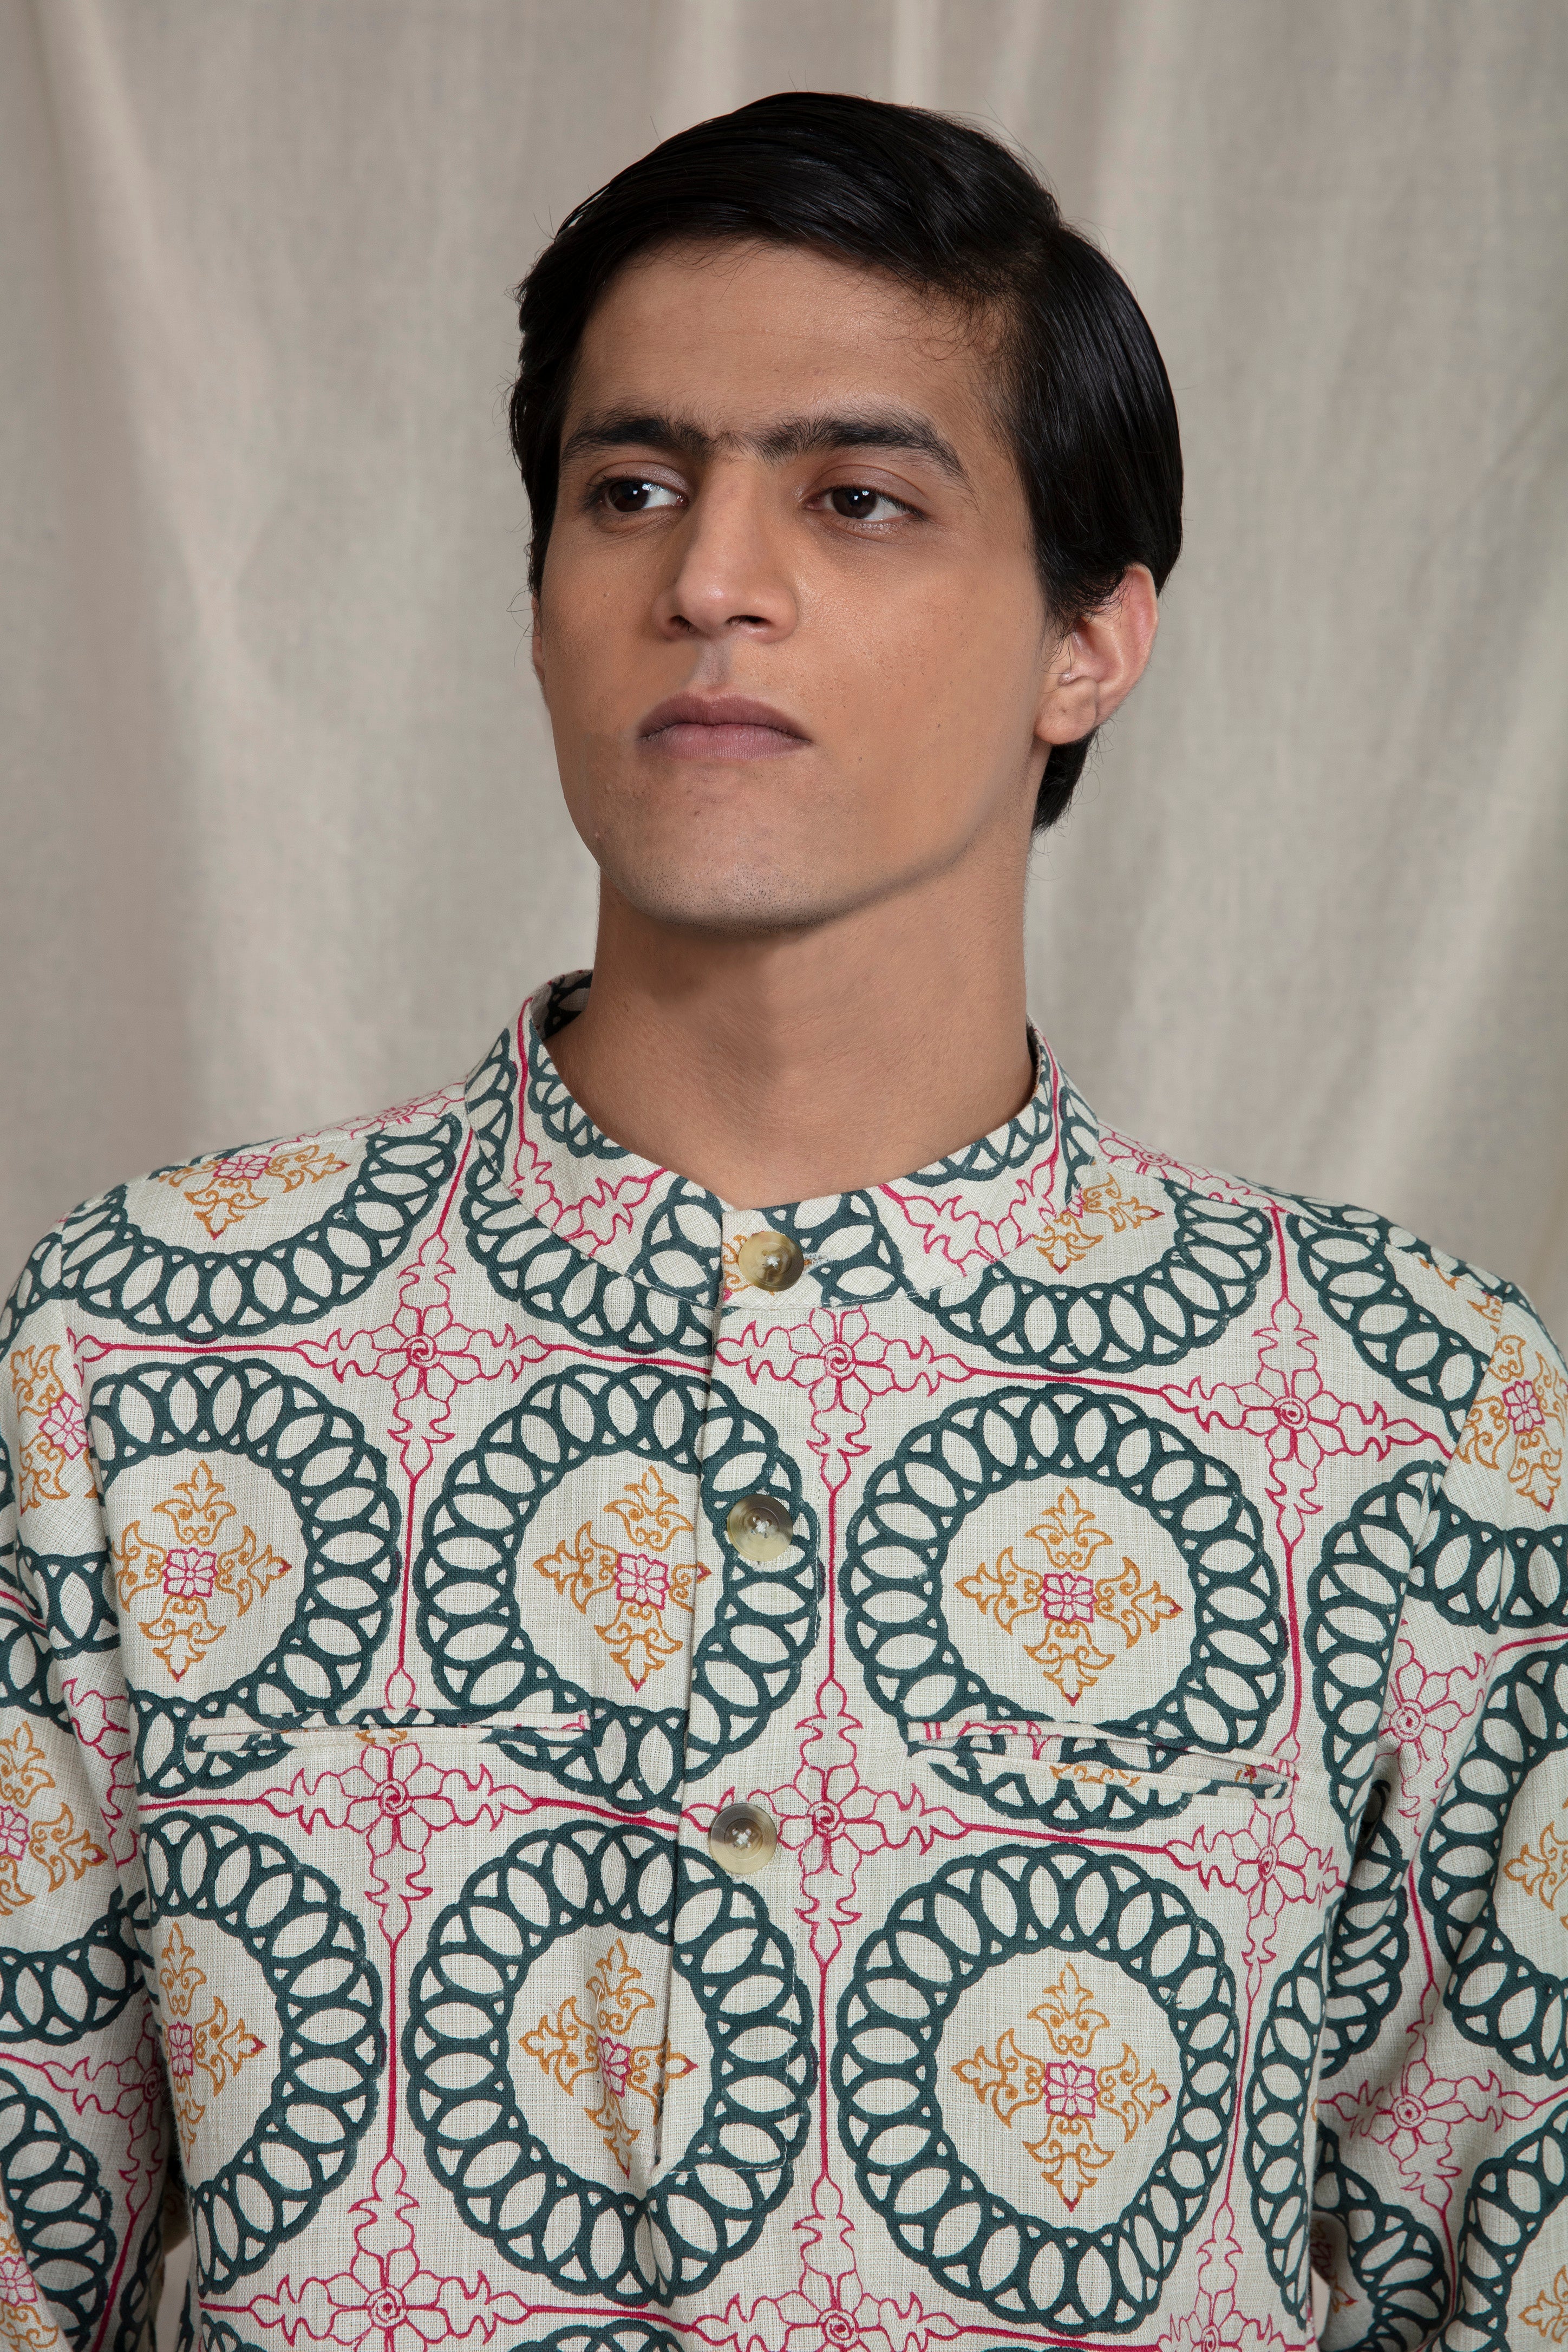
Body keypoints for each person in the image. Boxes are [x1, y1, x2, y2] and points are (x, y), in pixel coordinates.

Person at [1, 90, 1563, 2352]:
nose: (710, 580)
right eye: (631, 487)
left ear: (1090, 640)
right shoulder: (146, 1357)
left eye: (857, 497)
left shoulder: (1409, 1409)